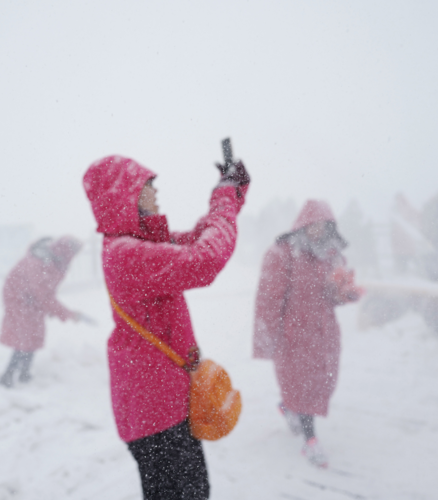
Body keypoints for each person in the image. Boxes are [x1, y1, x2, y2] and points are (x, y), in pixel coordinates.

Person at [83, 154, 249, 500]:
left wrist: (230, 194)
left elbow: (203, 238)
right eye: (147, 185)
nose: (156, 192)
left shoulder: (138, 246)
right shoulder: (125, 253)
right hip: (156, 416)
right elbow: (205, 259)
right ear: (123, 194)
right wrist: (223, 198)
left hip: (159, 407)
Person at [253, 200, 362, 468]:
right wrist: (267, 338)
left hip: (325, 334)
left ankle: (288, 408)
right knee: (302, 387)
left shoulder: (332, 254)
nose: (318, 230)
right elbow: (268, 300)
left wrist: (345, 292)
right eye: (314, 225)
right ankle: (310, 440)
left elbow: (334, 296)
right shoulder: (283, 254)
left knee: (320, 384)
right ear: (303, 223)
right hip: (293, 335)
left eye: (325, 226)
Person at [0, 236, 83, 388]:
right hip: (18, 298)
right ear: (66, 252)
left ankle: (24, 373)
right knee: (24, 336)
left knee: (34, 334)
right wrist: (67, 314)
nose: (75, 256)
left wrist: (51, 308)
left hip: (31, 298)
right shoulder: (41, 263)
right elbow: (44, 295)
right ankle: (8, 375)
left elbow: (45, 292)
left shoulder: (55, 260)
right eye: (74, 252)